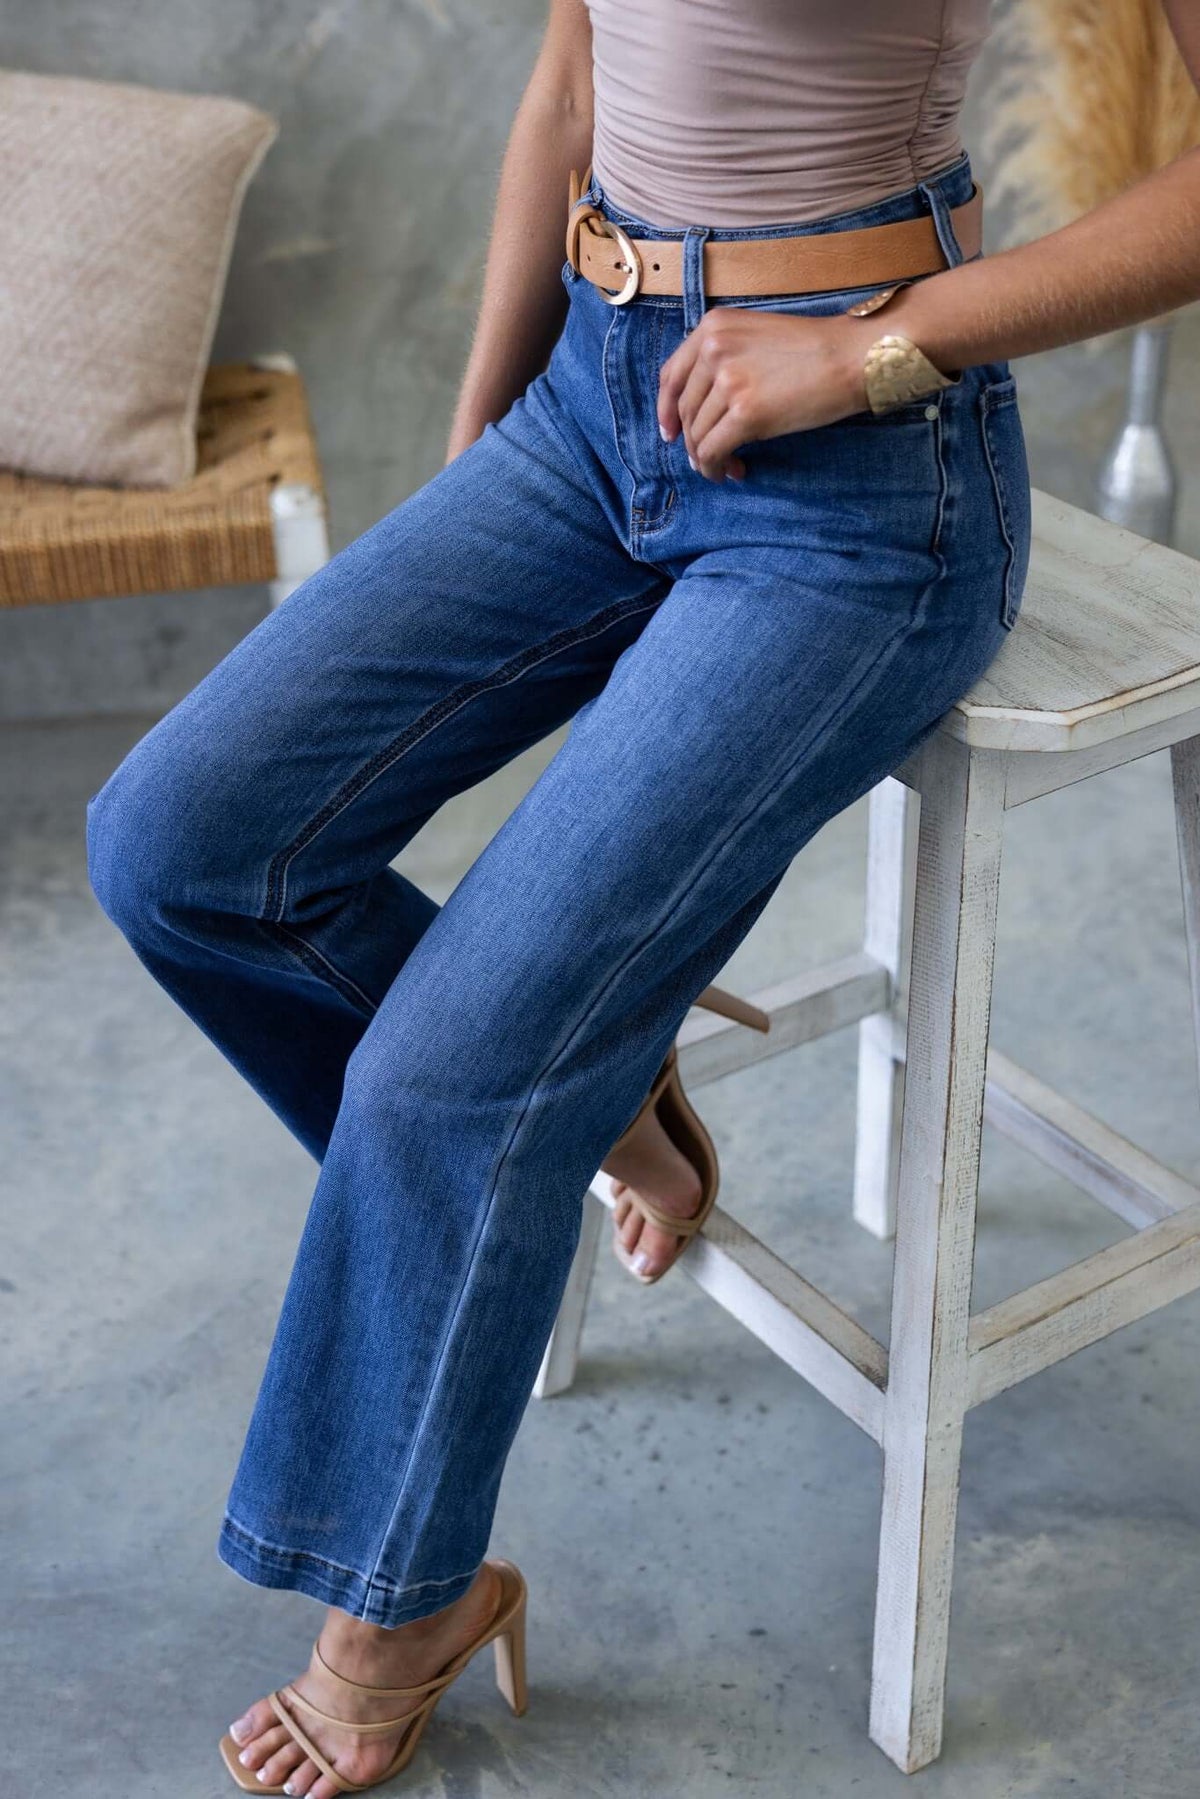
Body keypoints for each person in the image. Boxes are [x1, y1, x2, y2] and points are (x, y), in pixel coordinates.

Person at [85, 1, 1200, 1793]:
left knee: (447, 1077)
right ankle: (599, 1073)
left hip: (857, 486)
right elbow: (573, 70)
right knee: (179, 845)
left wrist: (874, 354)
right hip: (590, 410)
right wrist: (479, 438)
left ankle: (400, 1606)